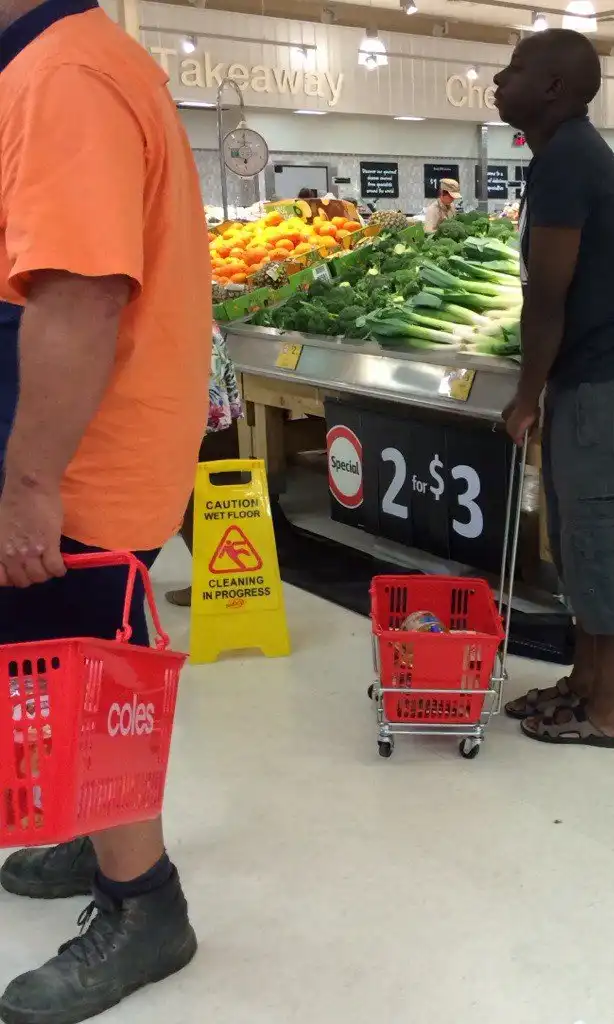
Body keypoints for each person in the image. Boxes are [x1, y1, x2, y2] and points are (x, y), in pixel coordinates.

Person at [0, 2, 210, 1022]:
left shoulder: (63, 78)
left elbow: (80, 294)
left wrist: (29, 487)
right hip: (93, 444)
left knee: (88, 679)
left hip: (87, 461)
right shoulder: (69, 60)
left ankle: (144, 904)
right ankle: (97, 834)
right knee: (78, 673)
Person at [494, 30, 614, 747]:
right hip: (590, 376)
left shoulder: (568, 158)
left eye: (513, 70)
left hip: (611, 380)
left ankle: (608, 714)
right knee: (577, 541)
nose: (497, 80)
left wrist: (526, 397)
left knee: (605, 539)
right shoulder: (560, 155)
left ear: (553, 89)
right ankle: (585, 681)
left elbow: (547, 296)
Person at [166, 324, 241, 607]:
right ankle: (222, 577)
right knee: (207, 473)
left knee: (189, 482)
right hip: (199, 341)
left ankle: (213, 579)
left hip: (178, 353)